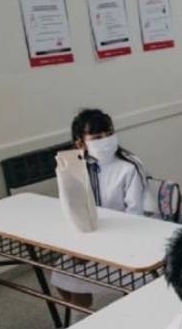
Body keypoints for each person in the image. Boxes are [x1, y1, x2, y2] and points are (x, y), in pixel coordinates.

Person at [51, 109, 147, 310]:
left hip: (124, 241)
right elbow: (72, 210)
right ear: (80, 143)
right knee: (59, 273)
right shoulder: (75, 168)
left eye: (109, 134)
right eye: (97, 137)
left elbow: (135, 217)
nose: (106, 140)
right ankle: (85, 318)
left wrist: (99, 246)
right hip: (88, 240)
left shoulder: (129, 166)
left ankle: (81, 320)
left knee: (76, 280)